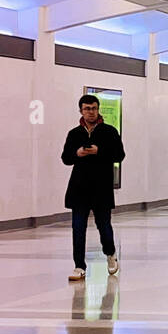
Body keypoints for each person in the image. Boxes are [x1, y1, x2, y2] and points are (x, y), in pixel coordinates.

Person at [61, 94, 125, 282]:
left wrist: (100, 151)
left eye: (94, 108)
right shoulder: (74, 134)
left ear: (98, 110)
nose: (91, 112)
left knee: (103, 225)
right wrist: (77, 153)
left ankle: (110, 253)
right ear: (81, 110)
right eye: (87, 109)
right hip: (79, 187)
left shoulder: (109, 132)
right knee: (78, 227)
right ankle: (79, 265)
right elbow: (65, 158)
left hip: (101, 188)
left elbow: (119, 155)